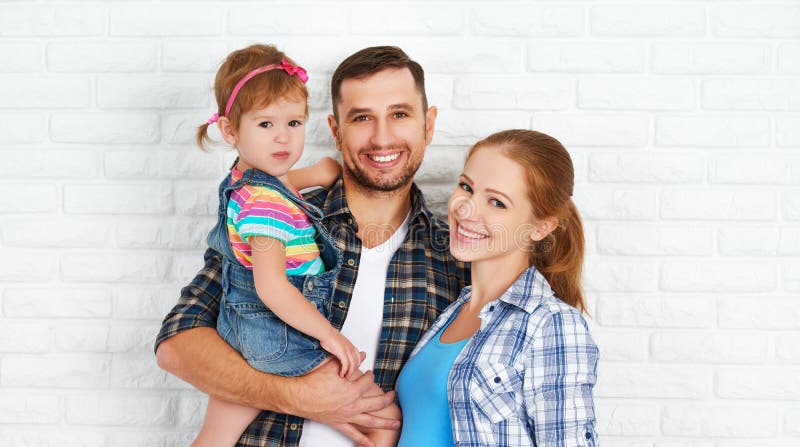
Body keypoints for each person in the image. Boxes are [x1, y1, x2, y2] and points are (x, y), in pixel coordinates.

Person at [155, 46, 469, 447]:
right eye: (362, 118)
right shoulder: (278, 218)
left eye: (400, 114)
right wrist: (299, 397)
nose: (382, 136)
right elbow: (177, 344)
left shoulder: (455, 257)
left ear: (429, 124)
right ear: (336, 131)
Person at [188, 43, 396, 447]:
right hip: (277, 337)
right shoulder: (267, 208)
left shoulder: (247, 183)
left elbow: (275, 188)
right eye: (265, 125)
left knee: (214, 438)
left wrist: (314, 173)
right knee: (382, 415)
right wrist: (329, 337)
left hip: (241, 331)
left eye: (295, 123)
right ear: (230, 130)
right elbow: (273, 287)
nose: (283, 138)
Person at [396, 129, 599, 446]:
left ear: (540, 226)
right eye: (467, 187)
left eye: (496, 202)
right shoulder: (451, 311)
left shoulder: (550, 325)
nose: (466, 210)